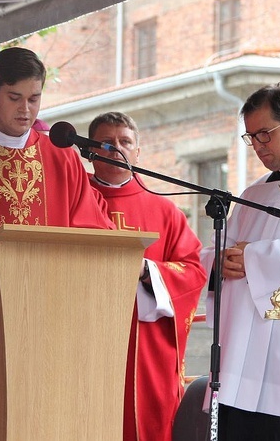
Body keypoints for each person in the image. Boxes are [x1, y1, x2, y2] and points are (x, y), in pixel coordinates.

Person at [0, 46, 114, 441]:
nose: (25, 110)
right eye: (14, 98)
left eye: (34, 99)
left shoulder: (61, 155)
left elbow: (93, 229)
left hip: (45, 318)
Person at [86, 111, 207, 441]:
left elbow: (193, 271)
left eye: (125, 142)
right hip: (85, 338)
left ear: (138, 151)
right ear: (87, 150)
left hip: (146, 350)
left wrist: (146, 271)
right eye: (105, 142)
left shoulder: (164, 209)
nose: (115, 149)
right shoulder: (71, 199)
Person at [199, 84, 280, 440]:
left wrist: (252, 257)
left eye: (266, 133)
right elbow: (219, 248)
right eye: (252, 137)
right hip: (240, 343)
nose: (259, 146)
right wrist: (220, 262)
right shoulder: (251, 193)